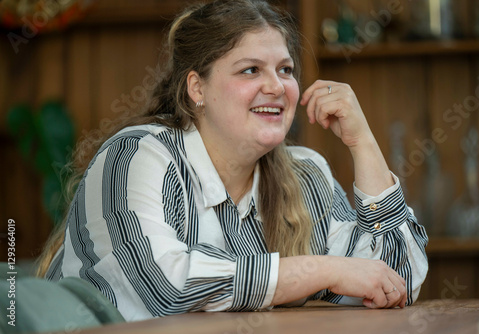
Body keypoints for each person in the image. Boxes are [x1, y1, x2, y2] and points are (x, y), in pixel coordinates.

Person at [37, 0, 428, 321]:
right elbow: (166, 288)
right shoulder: (139, 154)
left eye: (285, 70)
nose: (276, 86)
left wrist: (363, 142)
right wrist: (325, 269)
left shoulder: (305, 172)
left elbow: (398, 281)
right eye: (251, 70)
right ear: (197, 88)